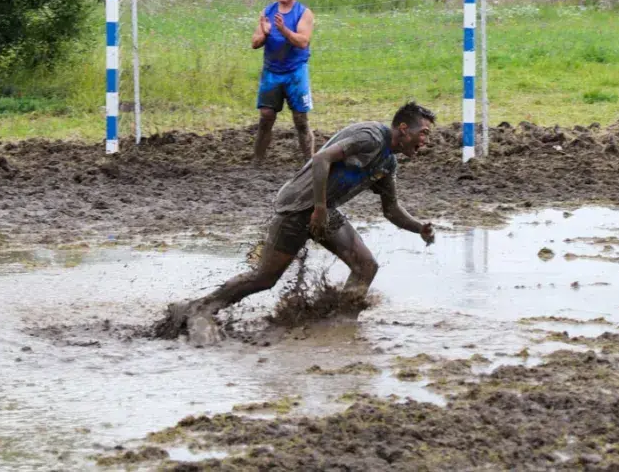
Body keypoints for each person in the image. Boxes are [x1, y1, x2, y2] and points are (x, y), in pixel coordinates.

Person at [160, 101, 438, 342]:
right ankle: (201, 309)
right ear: (403, 128)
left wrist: (419, 228)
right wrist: (318, 208)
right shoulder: (370, 137)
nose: (425, 140)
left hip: (323, 211)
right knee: (264, 278)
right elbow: (321, 158)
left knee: (366, 266)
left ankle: (340, 324)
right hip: (298, 208)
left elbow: (391, 210)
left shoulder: (387, 163)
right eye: (423, 133)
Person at [251, 0, 316, 163]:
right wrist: (264, 33)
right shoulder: (266, 12)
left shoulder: (304, 13)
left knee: (300, 119)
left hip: (295, 72)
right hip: (272, 72)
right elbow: (254, 43)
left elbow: (303, 42)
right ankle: (257, 160)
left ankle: (310, 162)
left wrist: (284, 30)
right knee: (266, 116)